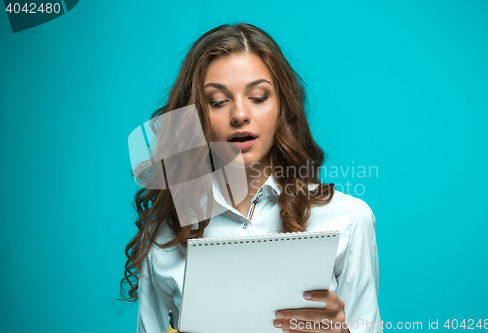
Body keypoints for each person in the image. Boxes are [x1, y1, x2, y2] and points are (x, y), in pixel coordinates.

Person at [120, 22, 382, 333]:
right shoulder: (166, 232)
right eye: (218, 101)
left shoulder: (349, 219)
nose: (239, 114)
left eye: (258, 97)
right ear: (195, 115)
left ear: (282, 107)